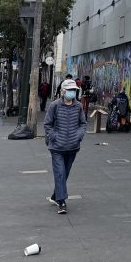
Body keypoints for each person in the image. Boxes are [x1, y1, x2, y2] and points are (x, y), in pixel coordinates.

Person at [44, 78, 87, 214]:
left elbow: (83, 123)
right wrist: (54, 137)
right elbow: (47, 124)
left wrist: (78, 135)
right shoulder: (54, 105)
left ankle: (56, 195)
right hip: (57, 147)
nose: (71, 93)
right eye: (69, 90)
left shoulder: (78, 106)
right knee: (60, 173)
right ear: (62, 91)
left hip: (73, 146)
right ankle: (61, 201)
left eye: (74, 90)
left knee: (65, 173)